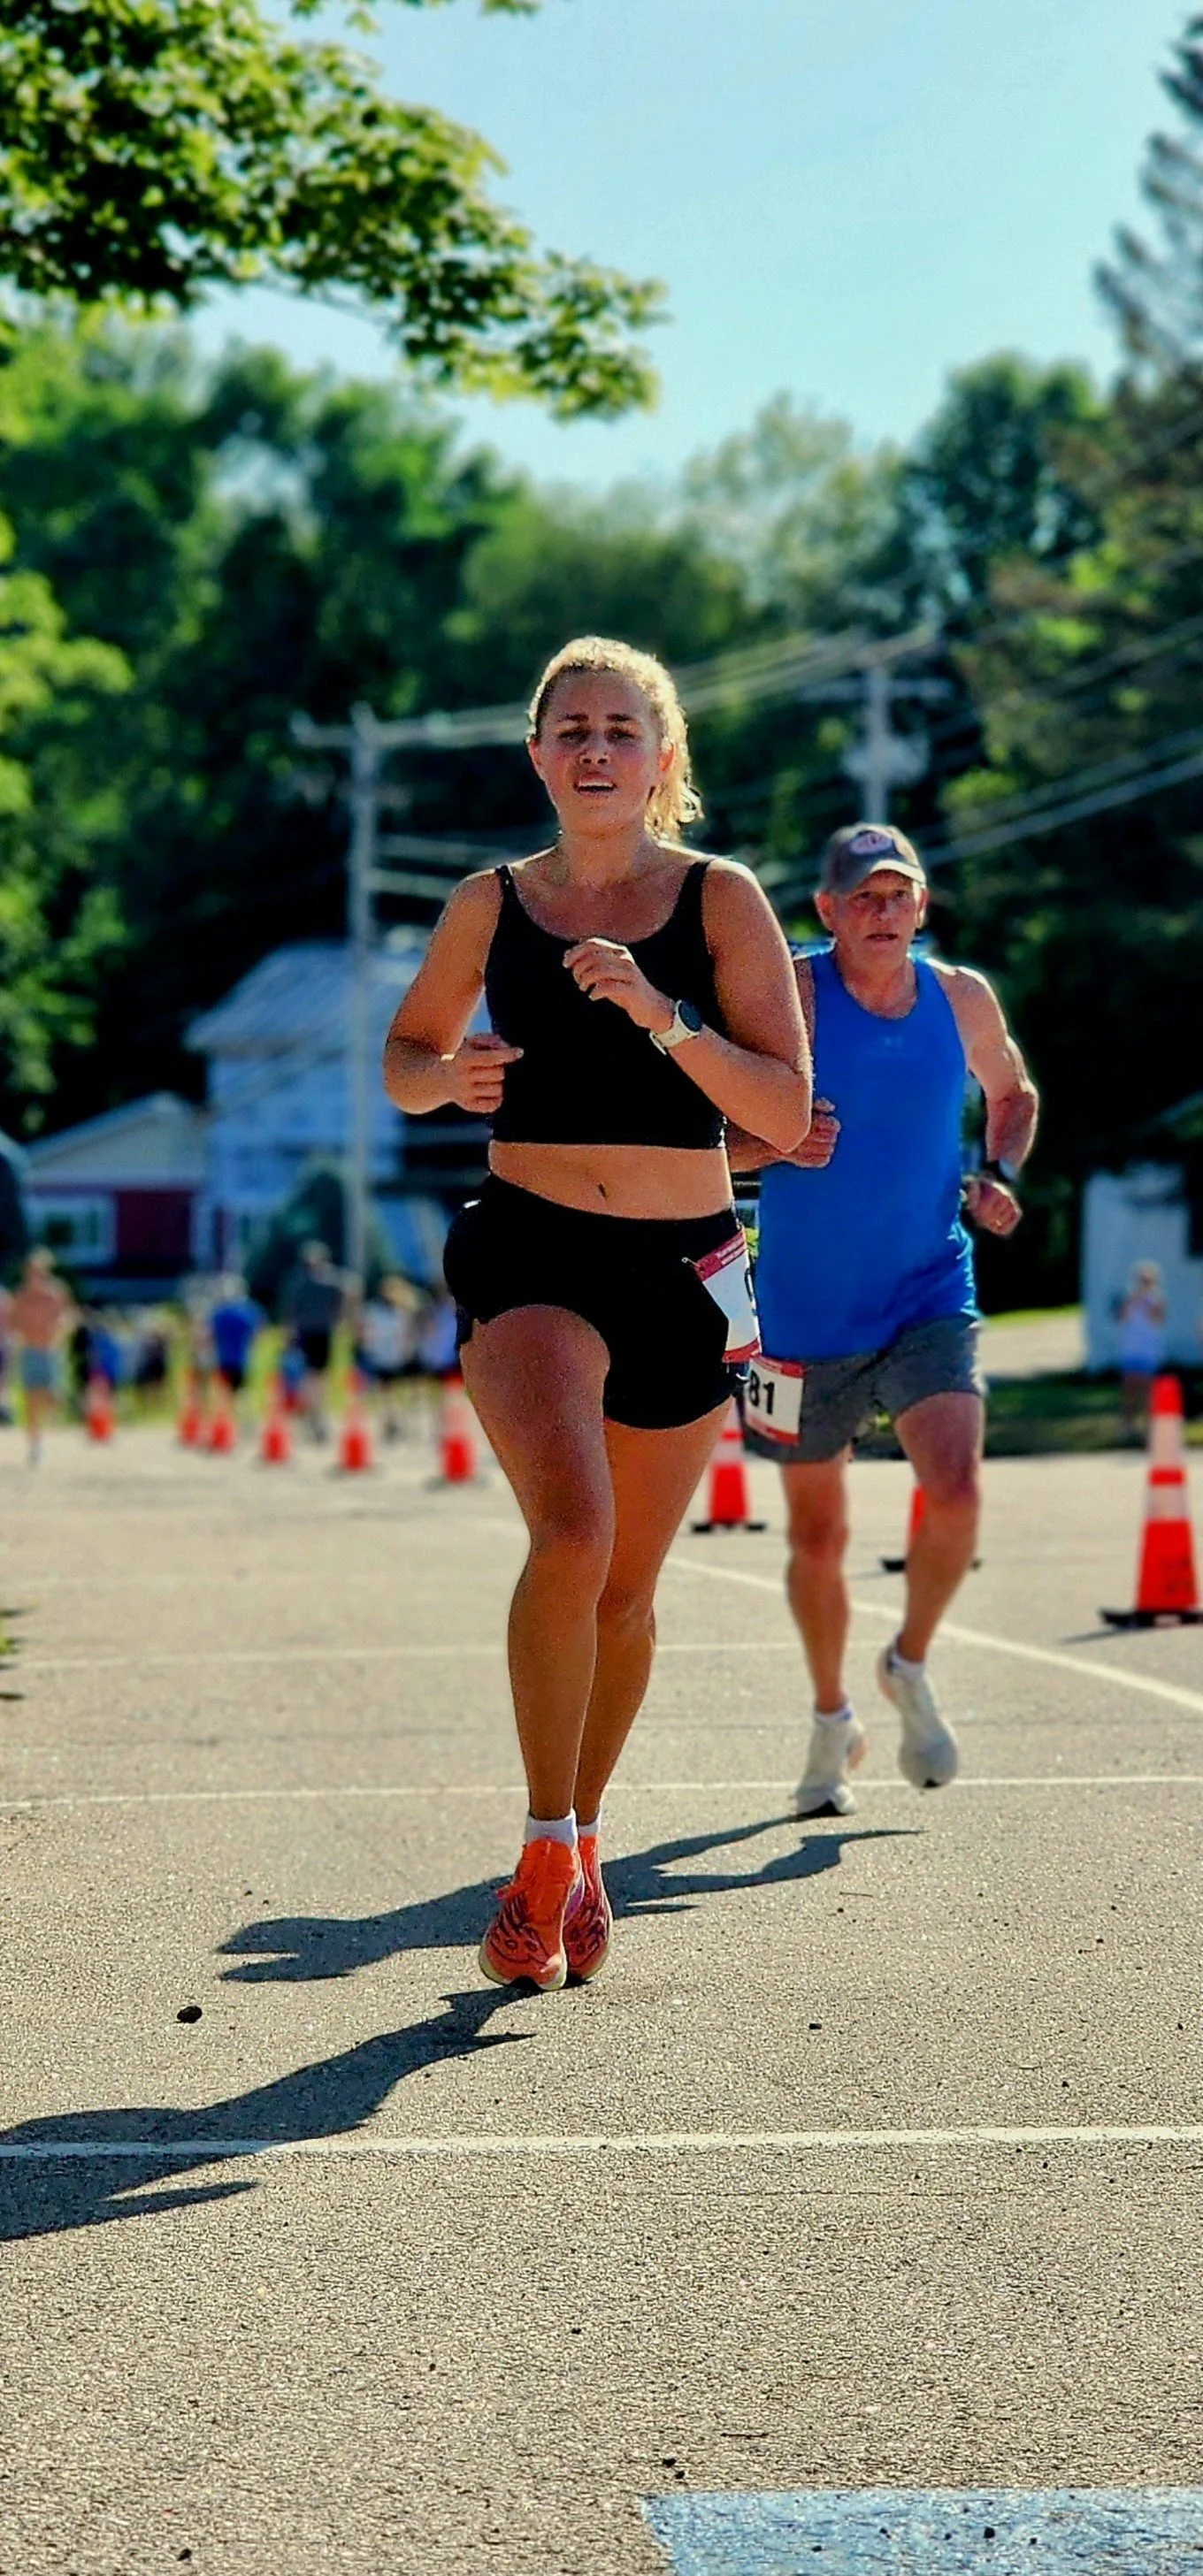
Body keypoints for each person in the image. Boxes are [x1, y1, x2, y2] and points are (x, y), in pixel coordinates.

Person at [384, 634, 810, 1992]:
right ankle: (538, 1849)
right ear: (536, 753)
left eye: (621, 729)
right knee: (573, 1536)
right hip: (532, 1249)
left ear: (661, 756)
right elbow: (406, 1056)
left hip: (684, 1265)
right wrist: (445, 1082)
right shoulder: (491, 904)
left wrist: (663, 1015)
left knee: (626, 1591)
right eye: (571, 728)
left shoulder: (720, 899)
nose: (595, 749)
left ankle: (580, 1835)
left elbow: (785, 1107)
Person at [730, 821, 1038, 1818]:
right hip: (800, 1314)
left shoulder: (961, 997)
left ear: (922, 905)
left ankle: (906, 1661)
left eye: (897, 894)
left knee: (956, 1486)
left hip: (926, 1289)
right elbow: (712, 1132)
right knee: (817, 1535)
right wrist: (774, 1140)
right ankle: (832, 1718)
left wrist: (997, 1172)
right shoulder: (793, 993)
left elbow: (1013, 1091)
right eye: (862, 896)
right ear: (826, 909)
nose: (882, 911)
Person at [9, 1250, 76, 1464]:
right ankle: (35, 1445)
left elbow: (70, 1316)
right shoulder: (22, 1296)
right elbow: (12, 1322)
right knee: (30, 1399)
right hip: (29, 1351)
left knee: (51, 1396)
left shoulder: (56, 1294)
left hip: (50, 1351)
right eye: (31, 1271)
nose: (34, 1275)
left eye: (39, 1271)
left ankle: (58, 1414)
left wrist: (62, 1328)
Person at [283, 1241, 344, 1441]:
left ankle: (314, 1413)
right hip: (316, 1332)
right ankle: (316, 1414)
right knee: (315, 1376)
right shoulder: (330, 1281)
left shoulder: (300, 1283)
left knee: (313, 1376)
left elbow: (291, 1312)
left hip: (312, 1333)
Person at [355, 1273, 421, 1440]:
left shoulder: (400, 1312)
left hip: (394, 1357)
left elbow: (407, 1335)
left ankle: (401, 1422)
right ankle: (391, 1422)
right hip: (385, 1357)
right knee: (388, 1393)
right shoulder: (377, 1311)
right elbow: (365, 1333)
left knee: (398, 1393)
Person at [1115, 1260, 1168, 1436]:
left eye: (1148, 1280)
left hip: (1147, 1352)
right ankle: (1127, 1427)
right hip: (1130, 1350)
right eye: (1142, 1280)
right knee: (1128, 1391)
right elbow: (1121, 1318)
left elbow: (1158, 1319)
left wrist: (1147, 1301)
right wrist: (1134, 1299)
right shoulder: (1130, 1298)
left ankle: (1149, 1428)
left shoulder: (1157, 1300)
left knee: (1147, 1392)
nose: (1144, 1284)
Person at [208, 1274, 264, 1430]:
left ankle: (224, 1424)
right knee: (243, 1392)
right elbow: (257, 1333)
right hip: (242, 1358)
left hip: (223, 1358)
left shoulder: (219, 1313)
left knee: (224, 1393)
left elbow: (210, 1335)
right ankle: (247, 1422)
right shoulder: (247, 1311)